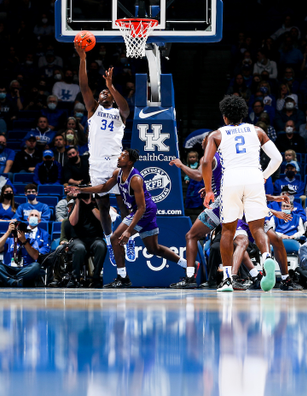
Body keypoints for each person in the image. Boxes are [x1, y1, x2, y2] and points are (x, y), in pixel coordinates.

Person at [67, 149, 187, 288]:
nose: (119, 157)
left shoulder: (135, 179)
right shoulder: (118, 173)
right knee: (154, 249)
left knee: (115, 238)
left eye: (123, 156)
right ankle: (188, 264)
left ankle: (123, 278)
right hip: (143, 211)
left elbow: (141, 208)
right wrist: (80, 190)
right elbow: (104, 187)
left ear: (130, 162)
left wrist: (129, 231)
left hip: (144, 211)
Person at [202, 95, 282, 292]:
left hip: (232, 179)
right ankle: (266, 258)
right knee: (257, 228)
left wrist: (209, 190)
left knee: (228, 230)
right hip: (254, 177)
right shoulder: (257, 131)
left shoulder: (217, 134)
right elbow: (277, 158)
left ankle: (228, 279)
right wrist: (263, 176)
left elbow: (205, 163)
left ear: (225, 117)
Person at [74, 41, 130, 266]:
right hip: (97, 163)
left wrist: (111, 85)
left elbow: (126, 108)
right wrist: (83, 59)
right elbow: (83, 85)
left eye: (107, 92)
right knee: (104, 206)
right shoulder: (93, 111)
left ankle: (128, 237)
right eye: (103, 91)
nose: (104, 93)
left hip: (116, 163)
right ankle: (109, 239)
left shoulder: (119, 112)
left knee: (124, 203)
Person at [169, 133, 222, 288]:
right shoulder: (226, 156)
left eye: (204, 141)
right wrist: (209, 189)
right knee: (236, 241)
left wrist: (181, 165)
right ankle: (250, 275)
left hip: (220, 205)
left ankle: (190, 277)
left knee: (191, 235)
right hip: (234, 203)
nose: (202, 143)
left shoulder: (208, 157)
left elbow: (198, 175)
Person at [55, 193, 107, 288]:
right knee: (79, 248)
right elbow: (73, 222)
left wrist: (90, 205)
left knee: (101, 246)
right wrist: (78, 202)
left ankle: (96, 278)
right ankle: (75, 278)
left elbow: (103, 219)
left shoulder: (97, 205)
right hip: (78, 238)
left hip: (95, 238)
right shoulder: (76, 206)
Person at [0, 209, 50, 287]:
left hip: (24, 268)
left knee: (36, 266)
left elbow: (35, 256)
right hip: (9, 267)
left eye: (21, 229)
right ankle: (14, 281)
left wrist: (24, 241)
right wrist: (8, 232)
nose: (19, 231)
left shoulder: (31, 239)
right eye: (17, 229)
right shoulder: (10, 239)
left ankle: (7, 280)